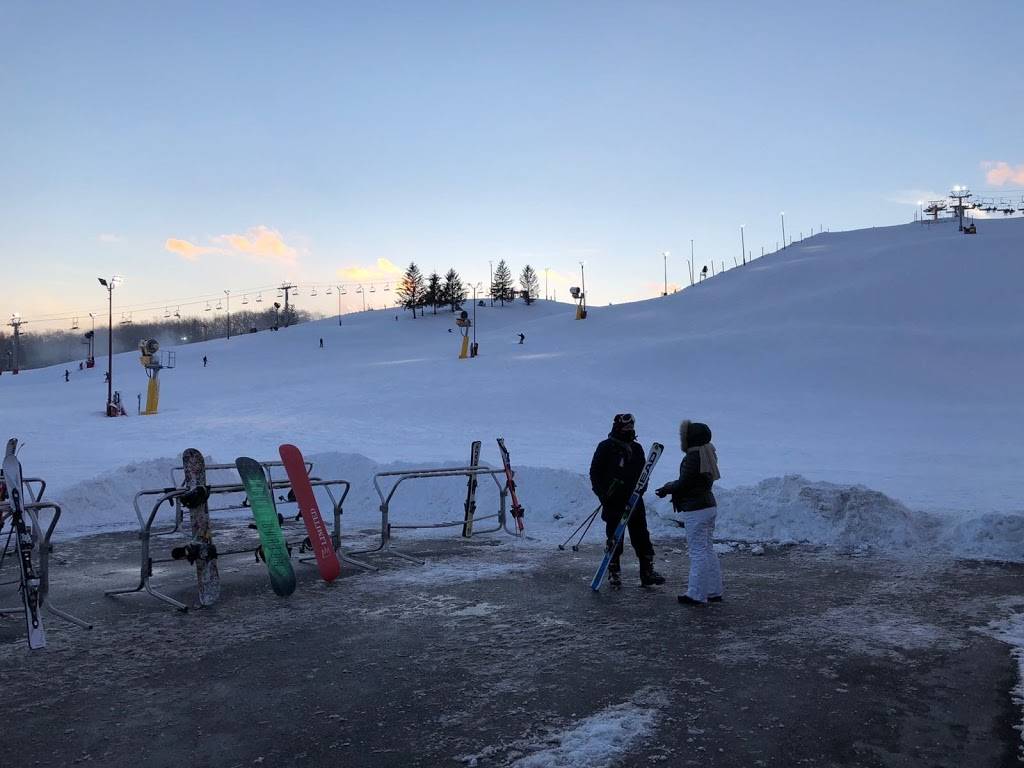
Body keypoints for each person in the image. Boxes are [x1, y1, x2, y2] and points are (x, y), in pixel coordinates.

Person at [589, 413, 665, 587]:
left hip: (634, 500)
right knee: (615, 536)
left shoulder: (636, 448)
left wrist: (641, 490)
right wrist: (602, 494)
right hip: (613, 501)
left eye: (631, 427)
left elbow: (644, 472)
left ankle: (647, 572)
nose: (629, 430)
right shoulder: (606, 447)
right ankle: (614, 571)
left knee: (641, 536)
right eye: (626, 427)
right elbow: (595, 472)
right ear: (618, 428)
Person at [655, 420, 722, 606]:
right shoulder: (708, 452)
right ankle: (714, 591)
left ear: (690, 438)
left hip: (696, 509)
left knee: (698, 551)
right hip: (708, 506)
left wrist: (667, 488)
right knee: (707, 549)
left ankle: (696, 594)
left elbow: (685, 483)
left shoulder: (694, 456)